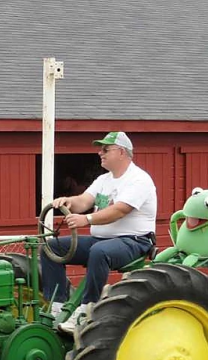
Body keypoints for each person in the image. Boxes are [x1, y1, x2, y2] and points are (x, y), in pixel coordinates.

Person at [41, 131, 157, 332]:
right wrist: (68, 201)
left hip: (134, 241)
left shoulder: (139, 180)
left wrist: (86, 219)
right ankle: (57, 306)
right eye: (100, 149)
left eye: (105, 149)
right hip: (101, 239)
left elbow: (120, 210)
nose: (99, 153)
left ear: (121, 152)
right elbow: (84, 201)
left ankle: (88, 309)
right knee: (51, 248)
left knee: (99, 252)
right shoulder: (104, 179)